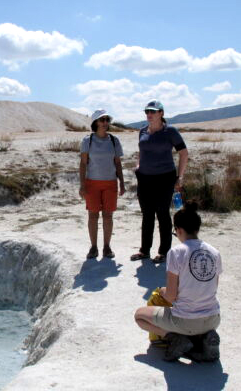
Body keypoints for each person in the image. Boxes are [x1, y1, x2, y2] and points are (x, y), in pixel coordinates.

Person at [133, 201, 222, 361]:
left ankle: (176, 338)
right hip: (213, 318)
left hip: (185, 321)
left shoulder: (176, 252)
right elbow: (212, 286)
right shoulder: (214, 252)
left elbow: (171, 296)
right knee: (193, 321)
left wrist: (161, 291)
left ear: (179, 230)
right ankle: (203, 338)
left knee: (139, 316)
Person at [130, 100, 188, 264]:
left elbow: (183, 153)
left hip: (165, 177)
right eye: (147, 111)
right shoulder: (142, 131)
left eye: (153, 112)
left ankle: (164, 252)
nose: (149, 114)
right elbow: (142, 151)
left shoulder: (170, 131)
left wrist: (180, 176)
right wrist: (138, 166)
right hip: (145, 178)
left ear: (161, 113)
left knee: (162, 213)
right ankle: (144, 250)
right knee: (147, 214)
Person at [79, 109, 125, 259]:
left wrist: (122, 183)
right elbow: (83, 164)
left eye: (107, 120)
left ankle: (106, 247)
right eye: (102, 120)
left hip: (110, 182)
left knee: (108, 215)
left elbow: (118, 163)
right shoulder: (87, 140)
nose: (105, 123)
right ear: (95, 123)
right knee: (93, 215)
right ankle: (93, 247)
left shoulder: (114, 140)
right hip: (92, 183)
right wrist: (82, 185)